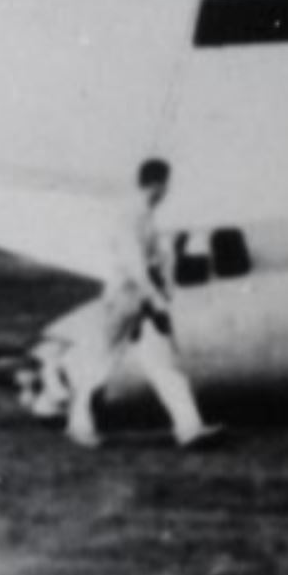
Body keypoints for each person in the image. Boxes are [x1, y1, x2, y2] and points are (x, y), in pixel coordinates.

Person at [64, 159, 216, 450]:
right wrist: (157, 301)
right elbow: (135, 265)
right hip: (125, 298)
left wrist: (158, 295)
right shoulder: (132, 215)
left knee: (163, 364)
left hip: (138, 299)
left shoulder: (143, 215)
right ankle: (78, 424)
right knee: (102, 365)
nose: (167, 191)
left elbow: (153, 260)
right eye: (166, 185)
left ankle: (189, 428)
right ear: (157, 183)